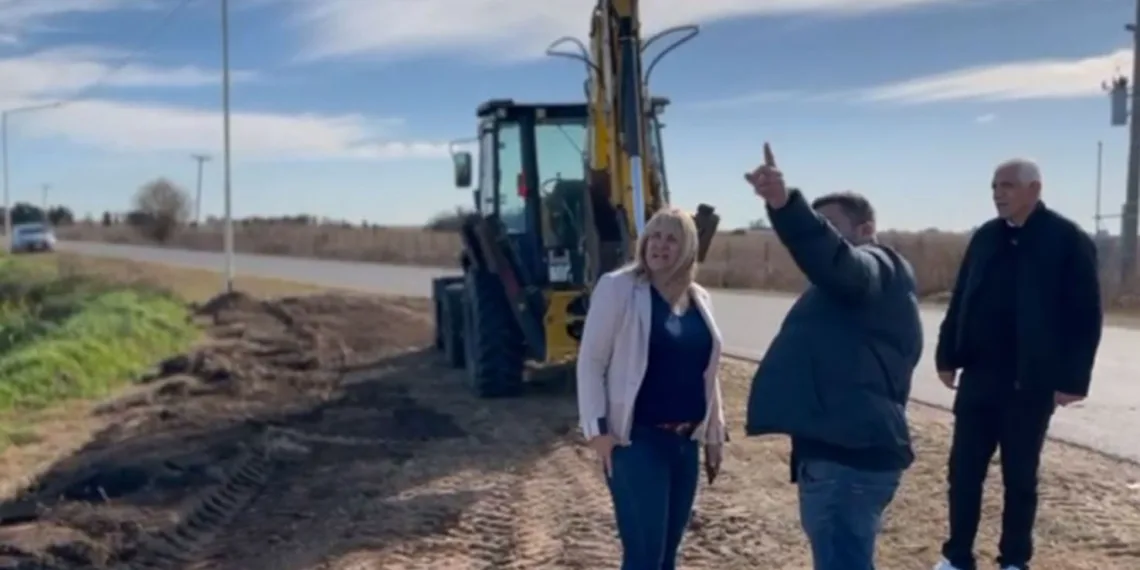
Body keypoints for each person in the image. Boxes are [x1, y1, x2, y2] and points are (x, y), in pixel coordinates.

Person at [744, 143, 923, 570]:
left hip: (847, 461)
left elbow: (839, 263)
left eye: (830, 225)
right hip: (842, 453)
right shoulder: (850, 292)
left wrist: (786, 206)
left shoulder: (876, 266)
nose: (824, 236)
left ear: (865, 229)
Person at [932, 158, 1103, 570]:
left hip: (1031, 381)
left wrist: (1074, 378)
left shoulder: (1067, 239)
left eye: (1007, 185)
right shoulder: (986, 238)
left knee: (1020, 477)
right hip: (979, 375)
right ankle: (957, 557)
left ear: (1034, 189)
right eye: (994, 185)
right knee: (963, 472)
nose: (998, 193)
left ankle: (1014, 560)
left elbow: (1086, 315)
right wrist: (947, 355)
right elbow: (962, 299)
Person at [576, 205, 728, 570]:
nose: (660, 245)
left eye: (672, 239)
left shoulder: (699, 299)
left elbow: (707, 370)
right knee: (645, 556)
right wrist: (597, 431)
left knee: (667, 556)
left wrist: (714, 434)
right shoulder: (619, 288)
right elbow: (591, 361)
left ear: (689, 248)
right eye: (654, 236)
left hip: (684, 444)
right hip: (637, 443)